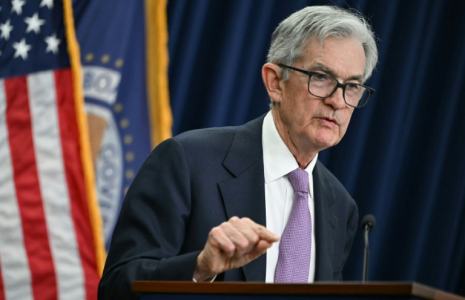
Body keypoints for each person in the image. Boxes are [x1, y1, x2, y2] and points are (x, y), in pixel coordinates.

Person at [98, 5, 378, 299]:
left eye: (352, 86)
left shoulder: (340, 207)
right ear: (274, 82)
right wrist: (199, 269)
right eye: (321, 77)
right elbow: (116, 287)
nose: (338, 101)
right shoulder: (187, 161)